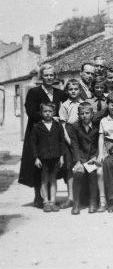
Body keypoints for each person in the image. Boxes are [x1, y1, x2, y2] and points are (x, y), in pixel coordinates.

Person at [20, 64, 68, 208]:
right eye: (46, 75)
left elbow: (66, 108)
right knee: (38, 163)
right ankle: (38, 197)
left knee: (52, 164)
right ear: (42, 77)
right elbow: (31, 112)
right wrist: (50, 118)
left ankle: (50, 198)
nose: (49, 77)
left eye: (51, 75)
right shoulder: (34, 92)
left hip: (54, 133)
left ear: (55, 76)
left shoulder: (60, 93)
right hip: (37, 131)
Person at [68, 102, 102, 214]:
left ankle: (93, 202)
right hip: (81, 157)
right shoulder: (75, 126)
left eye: (87, 113)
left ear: (92, 114)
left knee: (92, 173)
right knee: (78, 173)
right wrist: (78, 161)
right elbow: (75, 145)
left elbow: (99, 143)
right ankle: (76, 204)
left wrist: (96, 156)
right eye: (82, 113)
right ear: (78, 114)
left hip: (92, 157)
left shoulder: (97, 125)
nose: (84, 115)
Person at [31, 102, 65, 212]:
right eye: (45, 111)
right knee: (44, 180)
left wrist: (61, 156)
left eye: (50, 111)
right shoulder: (37, 127)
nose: (47, 113)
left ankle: (53, 202)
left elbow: (61, 142)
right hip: (43, 158)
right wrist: (36, 158)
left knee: (53, 180)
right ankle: (45, 202)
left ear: (54, 112)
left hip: (55, 157)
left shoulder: (58, 126)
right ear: (41, 113)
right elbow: (33, 144)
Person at [58, 79, 84, 209]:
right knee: (69, 169)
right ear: (67, 91)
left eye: (76, 89)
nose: (73, 91)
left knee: (81, 165)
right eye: (71, 89)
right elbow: (62, 126)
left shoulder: (83, 103)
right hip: (68, 138)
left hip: (81, 137)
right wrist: (70, 142)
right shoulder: (64, 105)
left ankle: (83, 196)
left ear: (80, 90)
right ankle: (71, 197)